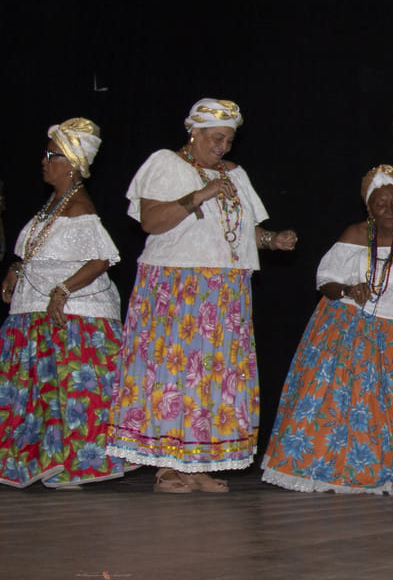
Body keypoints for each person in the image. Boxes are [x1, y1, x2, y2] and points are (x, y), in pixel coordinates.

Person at [106, 98, 298, 493]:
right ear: (193, 132)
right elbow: (150, 221)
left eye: (228, 140)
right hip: (177, 284)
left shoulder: (235, 174)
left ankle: (196, 464)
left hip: (225, 289)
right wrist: (200, 194)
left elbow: (242, 231)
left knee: (211, 376)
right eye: (216, 138)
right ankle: (166, 466)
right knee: (173, 371)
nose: (223, 147)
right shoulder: (166, 163)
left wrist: (271, 240)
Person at [261, 165, 393, 494]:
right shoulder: (353, 235)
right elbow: (325, 281)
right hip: (351, 326)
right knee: (342, 403)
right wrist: (348, 289)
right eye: (381, 204)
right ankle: (335, 468)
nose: (389, 209)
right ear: (369, 208)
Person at [0, 118, 125, 488]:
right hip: (33, 310)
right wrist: (16, 268)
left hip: (72, 317)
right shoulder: (55, 204)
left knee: (71, 394)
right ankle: (39, 460)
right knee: (40, 392)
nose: (44, 161)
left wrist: (63, 290)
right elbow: (40, 250)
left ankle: (74, 464)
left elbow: (101, 258)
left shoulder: (79, 208)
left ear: (72, 163)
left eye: (52, 155)